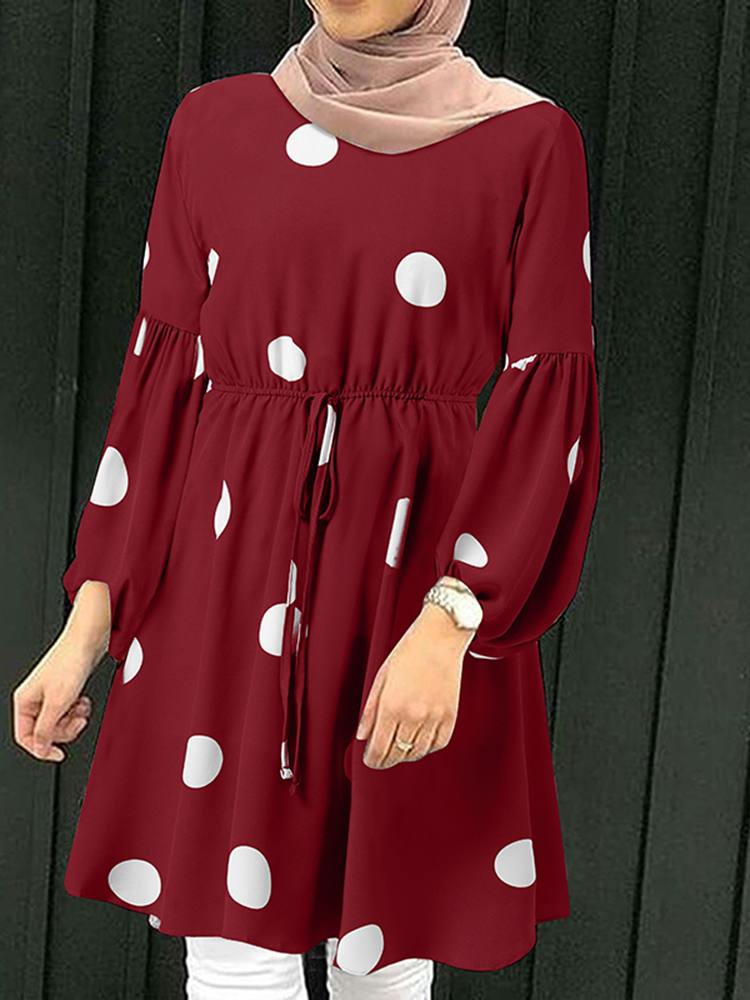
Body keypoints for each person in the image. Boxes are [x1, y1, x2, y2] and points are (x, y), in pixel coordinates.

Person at [12, 0, 601, 996]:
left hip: (414, 592)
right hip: (225, 585)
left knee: (389, 950)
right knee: (234, 960)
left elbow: (551, 398)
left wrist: (454, 621)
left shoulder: (527, 140)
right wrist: (87, 624)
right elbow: (162, 388)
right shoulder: (213, 125)